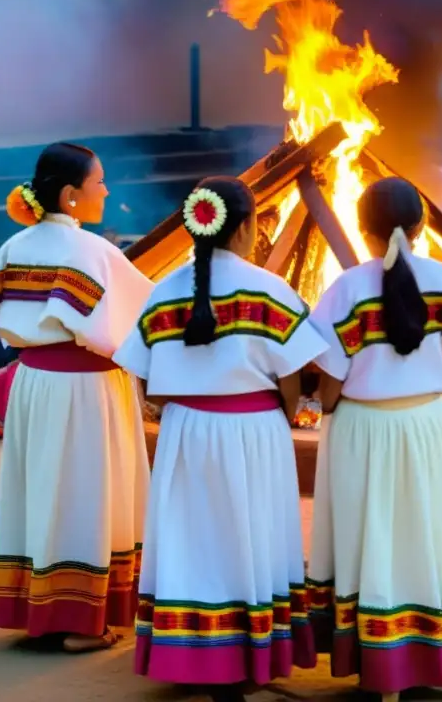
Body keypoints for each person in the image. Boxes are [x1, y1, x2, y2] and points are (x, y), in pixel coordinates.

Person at [113, 178, 327, 694]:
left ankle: (189, 653)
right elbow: (295, 371)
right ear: (250, 226)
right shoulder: (270, 290)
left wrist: (182, 403)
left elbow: (141, 372)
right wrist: (287, 405)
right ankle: (249, 648)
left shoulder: (163, 292)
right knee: (251, 536)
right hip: (256, 430)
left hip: (186, 430)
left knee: (193, 540)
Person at [307, 177, 442, 699]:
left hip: (362, 430)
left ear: (362, 231)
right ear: (420, 226)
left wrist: (330, 406)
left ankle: (371, 659)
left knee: (368, 539)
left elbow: (330, 386)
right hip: (426, 427)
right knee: (422, 538)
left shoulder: (345, 288)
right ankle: (418, 657)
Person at [0, 143, 154, 652]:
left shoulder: (12, 248)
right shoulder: (94, 253)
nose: (105, 190)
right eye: (98, 181)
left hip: (35, 384)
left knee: (43, 490)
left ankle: (39, 606)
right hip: (87, 389)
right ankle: (82, 620)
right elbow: (143, 321)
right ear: (70, 194)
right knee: (86, 494)